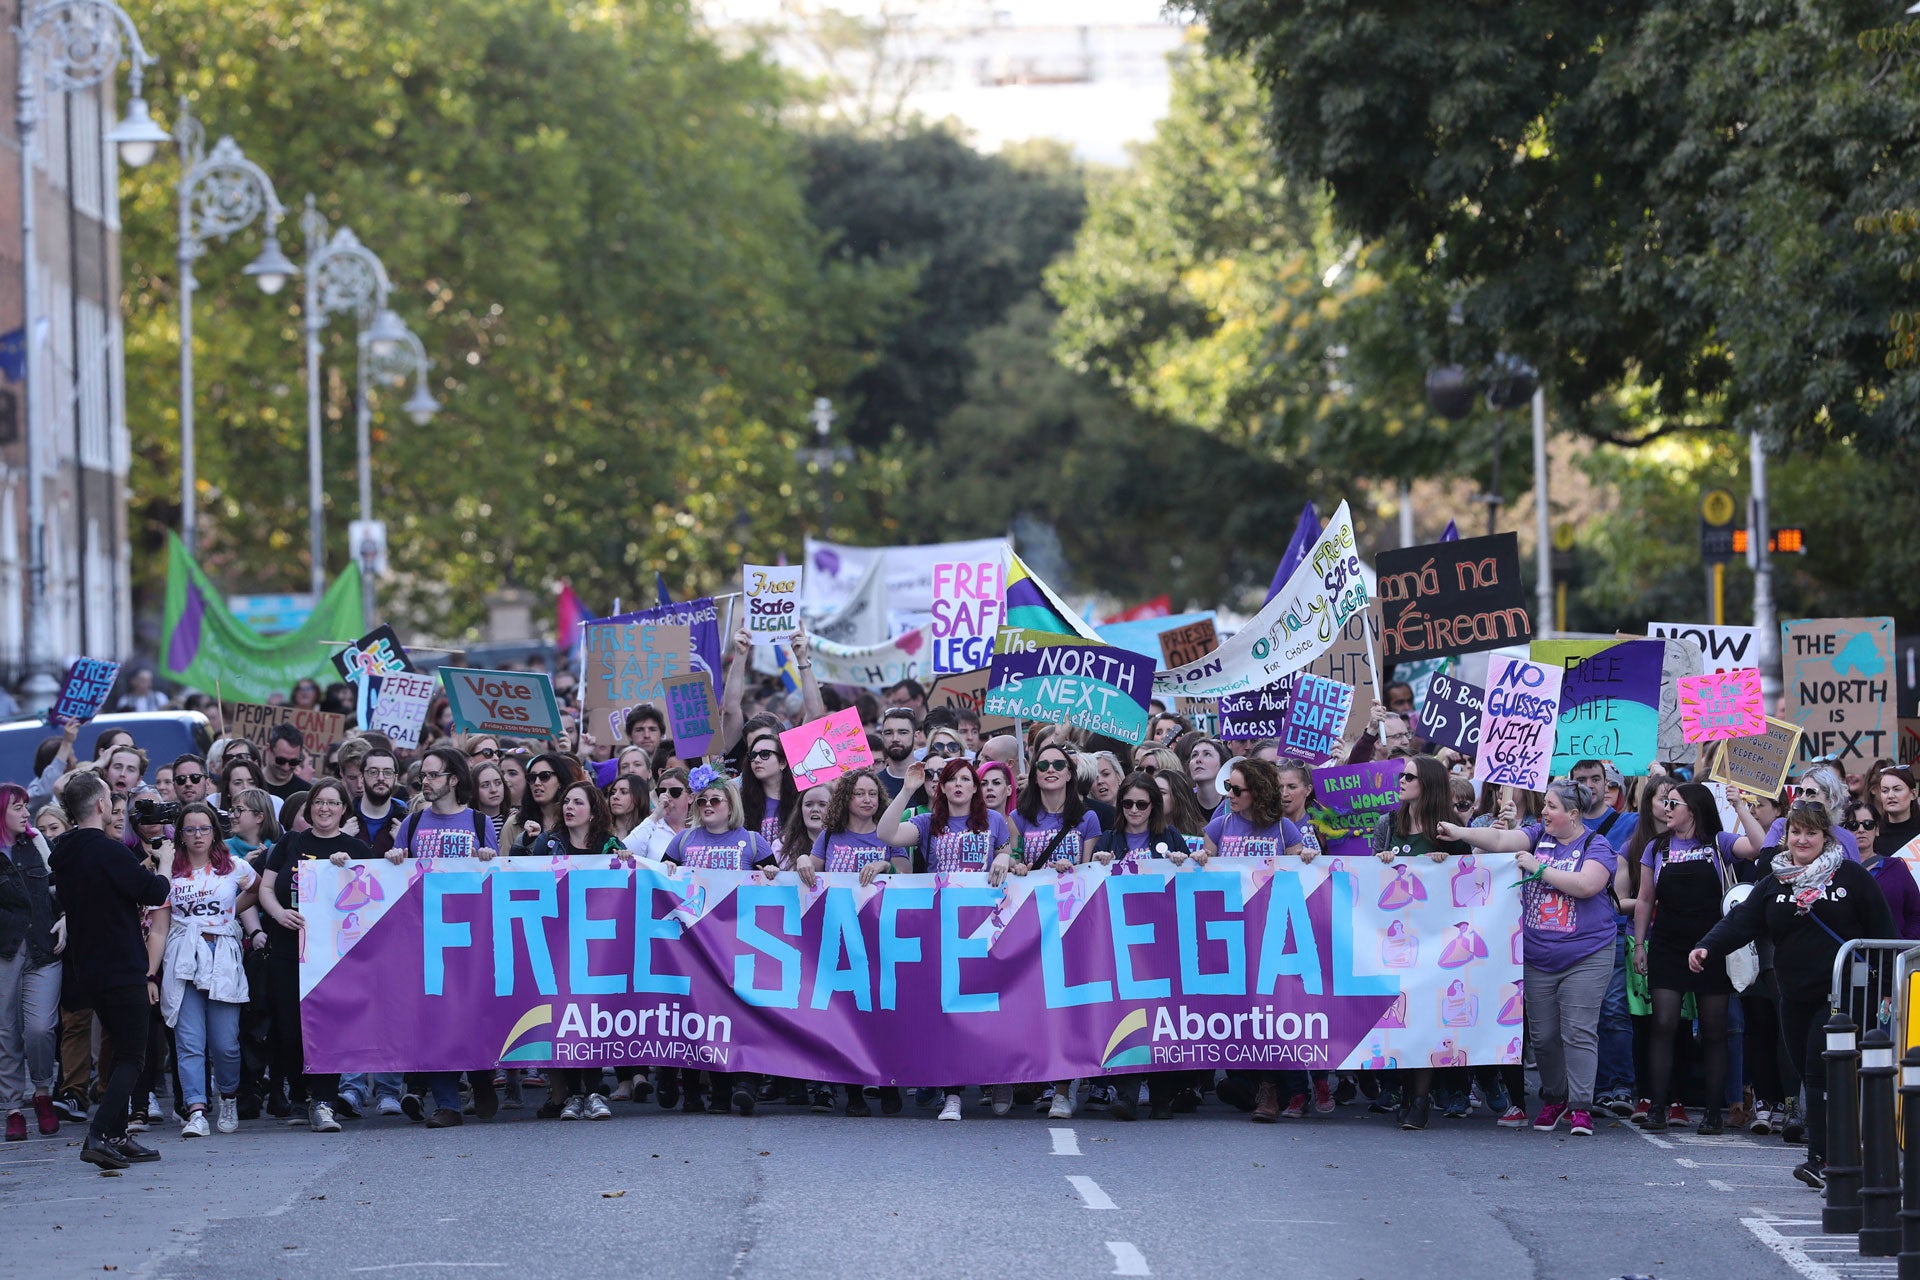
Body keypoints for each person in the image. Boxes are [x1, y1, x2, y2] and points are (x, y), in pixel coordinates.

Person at [1691, 801, 1897, 1190]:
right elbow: (1742, 921)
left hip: (1842, 997)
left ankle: (1823, 1159)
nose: (1802, 840)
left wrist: (1885, 991)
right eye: (1796, 833)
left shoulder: (1850, 876)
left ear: (1826, 837)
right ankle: (1843, 1152)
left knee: (1822, 1074)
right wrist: (1707, 946)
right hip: (1793, 994)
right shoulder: (1775, 880)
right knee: (1810, 1076)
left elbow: (1883, 932)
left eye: (1811, 833)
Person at [1443, 777, 1621, 1136]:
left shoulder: (1597, 845)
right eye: (1544, 806)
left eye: (1551, 807)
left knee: (1578, 1031)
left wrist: (1539, 869)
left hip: (1588, 952)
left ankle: (1581, 1107)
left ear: (1572, 814)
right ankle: (1555, 1097)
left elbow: (1588, 886)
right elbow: (1499, 840)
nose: (1544, 812)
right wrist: (1460, 834)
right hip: (1538, 954)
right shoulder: (1538, 836)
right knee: (1542, 1037)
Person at [874, 758, 1014, 1121]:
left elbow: (1010, 853)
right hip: (943, 930)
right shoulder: (926, 823)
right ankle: (952, 1092)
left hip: (986, 929)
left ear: (975, 787)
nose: (957, 786)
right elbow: (886, 835)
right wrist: (906, 790)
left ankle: (997, 1078)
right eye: (950, 780)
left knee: (989, 1008)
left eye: (966, 779)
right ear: (941, 788)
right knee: (950, 1010)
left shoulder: (995, 822)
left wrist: (1002, 855)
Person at [47, 774, 170, 1169]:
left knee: (119, 1051)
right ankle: (99, 1135)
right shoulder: (108, 850)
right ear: (101, 805)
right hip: (120, 965)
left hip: (90, 969)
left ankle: (116, 1136)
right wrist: (164, 862)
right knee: (133, 1055)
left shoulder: (64, 851)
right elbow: (154, 891)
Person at [1631, 782, 1766, 1134]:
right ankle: (1659, 1108)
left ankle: (1711, 1114)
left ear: (1693, 808)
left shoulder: (1719, 844)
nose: (1666, 807)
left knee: (1714, 1031)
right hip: (1668, 945)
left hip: (1712, 946)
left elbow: (1760, 846)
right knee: (1663, 1025)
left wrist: (1739, 807)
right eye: (1665, 801)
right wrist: (1640, 944)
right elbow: (1645, 899)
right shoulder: (1656, 847)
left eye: (1673, 802)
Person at [661, 768, 777, 1117]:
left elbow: (775, 888)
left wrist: (770, 874)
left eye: (716, 800)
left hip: (739, 942)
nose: (708, 805)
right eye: (703, 800)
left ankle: (742, 1084)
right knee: (699, 1013)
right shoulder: (682, 841)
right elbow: (659, 879)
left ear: (731, 805)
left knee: (739, 1013)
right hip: (693, 943)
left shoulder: (754, 842)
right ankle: (707, 1090)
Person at [258, 780, 372, 1134]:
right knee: (291, 1030)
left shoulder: (355, 848)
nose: (325, 808)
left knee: (329, 1028)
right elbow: (264, 887)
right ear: (309, 807)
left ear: (343, 809)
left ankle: (324, 1101)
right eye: (319, 802)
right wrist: (277, 914)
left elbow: (371, 894)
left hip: (334, 957)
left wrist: (347, 868)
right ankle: (301, 1093)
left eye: (333, 803)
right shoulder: (290, 843)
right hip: (288, 949)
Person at [146, 801, 263, 1139]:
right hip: (183, 957)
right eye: (190, 829)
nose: (198, 835)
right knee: (189, 1041)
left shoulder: (234, 867)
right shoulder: (169, 873)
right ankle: (196, 1109)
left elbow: (256, 889)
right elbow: (159, 928)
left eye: (204, 828)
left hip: (222, 955)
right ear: (179, 835)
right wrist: (151, 974)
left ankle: (228, 1096)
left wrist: (230, 912)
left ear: (215, 832)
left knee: (226, 1042)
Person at [1368, 755, 1471, 1131]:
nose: (1401, 780)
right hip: (1394, 941)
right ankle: (1404, 1091)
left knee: (1426, 1018)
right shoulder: (1388, 823)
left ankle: (1421, 1099)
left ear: (1426, 784)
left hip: (1433, 940)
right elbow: (1370, 878)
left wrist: (1444, 864)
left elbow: (1467, 883)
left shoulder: (1450, 829)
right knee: (1400, 1018)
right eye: (1402, 775)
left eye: (1409, 776)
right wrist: (1380, 861)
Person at [0, 784, 63, 1142]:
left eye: (27, 806)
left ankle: (42, 1092)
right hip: (4, 950)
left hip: (43, 947)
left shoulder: (37, 842)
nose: (26, 813)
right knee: (6, 1032)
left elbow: (59, 886)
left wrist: (67, 918)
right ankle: (12, 1107)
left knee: (39, 1029)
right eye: (18, 807)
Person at [1013, 744, 1103, 876]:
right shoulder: (1017, 818)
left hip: (1073, 894)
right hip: (1034, 895)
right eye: (1043, 765)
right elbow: (1014, 861)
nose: (1050, 770)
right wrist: (1017, 867)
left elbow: (1089, 874)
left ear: (1069, 775)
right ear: (1035, 776)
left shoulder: (1088, 818)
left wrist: (1071, 869)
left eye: (1059, 765)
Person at [1200, 759, 1305, 864]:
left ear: (1258, 792)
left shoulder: (1285, 828)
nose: (1229, 795)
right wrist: (1198, 859)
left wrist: (1308, 858)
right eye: (1228, 786)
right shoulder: (1218, 827)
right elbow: (1207, 875)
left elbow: (1296, 872)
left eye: (1237, 790)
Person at [1850, 800, 1920, 938]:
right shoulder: (1835, 869)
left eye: (1868, 824)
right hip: (1846, 956)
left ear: (1877, 830)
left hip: (1890, 955)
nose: (1861, 830)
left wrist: (1903, 946)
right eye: (1853, 825)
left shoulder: (1896, 868)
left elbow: (1916, 913)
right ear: (1844, 831)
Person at [629, 767, 692, 859]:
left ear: (690, 797)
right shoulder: (650, 827)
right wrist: (655, 815)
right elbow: (626, 848)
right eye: (661, 792)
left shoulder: (699, 828)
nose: (666, 796)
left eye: (675, 792)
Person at [1873, 764, 1920, 859]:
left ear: (1913, 794)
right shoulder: (1874, 833)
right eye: (1885, 790)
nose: (1890, 795)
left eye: (1897, 789)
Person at [874, 707, 920, 801]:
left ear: (915, 736)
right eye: (888, 733)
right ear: (882, 737)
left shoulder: (930, 779)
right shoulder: (874, 785)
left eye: (903, 732)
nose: (895, 738)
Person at [261, 725, 310, 800]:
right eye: (281, 760)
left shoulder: (306, 793)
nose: (286, 768)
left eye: (293, 762)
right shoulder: (250, 784)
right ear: (268, 749)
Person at [606, 774, 650, 849]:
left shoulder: (649, 832)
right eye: (613, 792)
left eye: (624, 792)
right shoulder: (600, 830)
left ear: (639, 797)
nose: (615, 796)